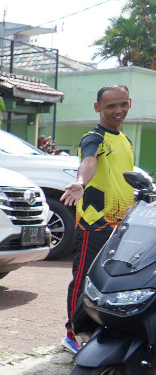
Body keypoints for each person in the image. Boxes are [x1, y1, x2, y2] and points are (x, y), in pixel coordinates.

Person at [60, 83, 135, 354]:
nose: (118, 110)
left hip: (121, 225)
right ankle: (72, 332)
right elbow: (88, 161)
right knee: (83, 280)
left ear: (129, 103)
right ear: (97, 108)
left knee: (111, 280)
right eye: (110, 106)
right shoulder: (94, 138)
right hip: (96, 223)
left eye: (123, 104)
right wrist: (80, 182)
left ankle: (99, 328)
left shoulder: (124, 140)